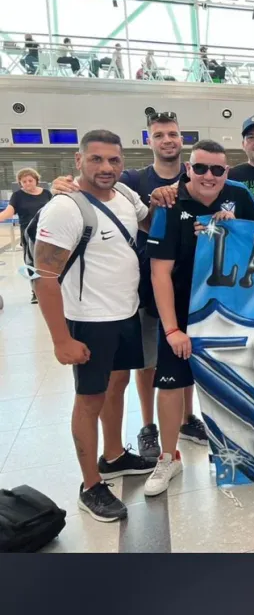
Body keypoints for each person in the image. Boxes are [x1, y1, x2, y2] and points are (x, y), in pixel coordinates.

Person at [49, 111, 210, 459]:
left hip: (187, 285)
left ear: (182, 139)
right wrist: (62, 184)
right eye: (159, 135)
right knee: (147, 360)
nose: (168, 140)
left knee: (183, 353)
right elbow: (90, 190)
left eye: (173, 134)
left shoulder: (198, 173)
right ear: (148, 140)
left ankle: (187, 417)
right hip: (138, 289)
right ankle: (148, 426)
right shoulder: (133, 179)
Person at [33, 130, 157, 522]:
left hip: (125, 313)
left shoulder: (125, 197)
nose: (106, 168)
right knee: (89, 399)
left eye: (114, 160)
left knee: (117, 385)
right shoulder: (65, 208)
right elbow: (43, 277)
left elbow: (150, 221)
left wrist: (168, 198)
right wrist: (61, 340)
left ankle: (114, 455)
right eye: (97, 159)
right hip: (89, 321)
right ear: (79, 160)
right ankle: (90, 486)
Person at [144, 140, 254, 496]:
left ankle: (239, 451)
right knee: (169, 383)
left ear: (227, 172)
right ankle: (168, 456)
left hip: (231, 313)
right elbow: (159, 273)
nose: (209, 176)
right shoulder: (169, 202)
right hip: (182, 311)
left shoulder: (240, 197)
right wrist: (172, 329)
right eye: (200, 168)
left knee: (236, 382)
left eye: (217, 170)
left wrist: (236, 229)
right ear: (188, 169)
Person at [0, 168, 52, 303]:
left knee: (51, 263)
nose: (28, 184)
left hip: (48, 234)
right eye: (24, 181)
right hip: (29, 236)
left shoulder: (46, 193)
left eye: (30, 180)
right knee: (31, 264)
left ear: (36, 180)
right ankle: (35, 292)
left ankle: (52, 289)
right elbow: (8, 213)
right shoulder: (17, 196)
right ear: (20, 183)